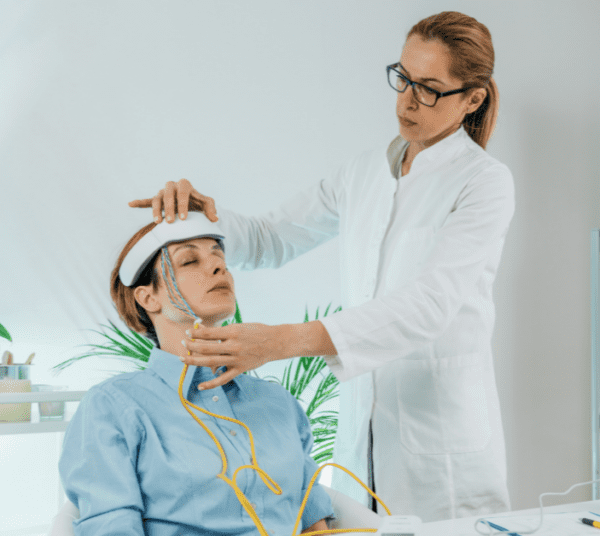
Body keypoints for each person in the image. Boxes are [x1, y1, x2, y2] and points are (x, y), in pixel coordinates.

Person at [128, 11, 513, 522]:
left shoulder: (483, 182)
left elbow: (429, 306)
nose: (405, 100)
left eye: (429, 89)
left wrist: (284, 341)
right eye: (402, 78)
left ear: (473, 98)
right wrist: (200, 215)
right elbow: (271, 238)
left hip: (443, 453)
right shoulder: (364, 174)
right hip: (364, 445)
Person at [58, 213, 336, 535]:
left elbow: (315, 524)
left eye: (220, 257)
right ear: (148, 297)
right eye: (189, 261)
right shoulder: (114, 406)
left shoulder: (280, 404)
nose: (219, 267)